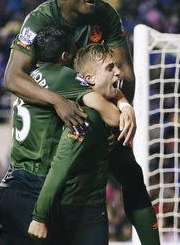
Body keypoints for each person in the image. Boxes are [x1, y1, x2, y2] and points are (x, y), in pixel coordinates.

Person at [3, 0, 160, 244]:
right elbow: (12, 77)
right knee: (62, 176)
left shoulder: (105, 14)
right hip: (60, 109)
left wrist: (124, 110)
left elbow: (124, 70)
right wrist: (55, 101)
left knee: (130, 174)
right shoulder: (40, 19)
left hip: (96, 102)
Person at [0, 26, 128, 244]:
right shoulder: (64, 77)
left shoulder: (28, 79)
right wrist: (124, 105)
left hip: (9, 188)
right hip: (34, 186)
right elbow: (112, 116)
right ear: (65, 55)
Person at [28, 43, 126, 244]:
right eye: (109, 68)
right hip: (73, 214)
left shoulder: (104, 110)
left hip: (94, 209)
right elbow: (60, 167)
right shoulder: (84, 116)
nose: (118, 72)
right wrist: (40, 216)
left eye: (116, 66)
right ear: (89, 79)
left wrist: (125, 104)